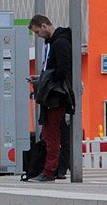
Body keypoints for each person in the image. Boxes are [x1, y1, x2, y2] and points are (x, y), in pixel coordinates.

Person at [27, 14, 75, 182]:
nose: (38, 35)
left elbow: (62, 70)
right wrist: (41, 79)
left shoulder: (59, 43)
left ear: (44, 26)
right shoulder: (54, 42)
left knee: (52, 134)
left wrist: (45, 79)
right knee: (50, 134)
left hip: (56, 95)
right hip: (52, 94)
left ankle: (49, 171)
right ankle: (50, 170)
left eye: (38, 32)